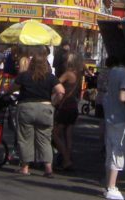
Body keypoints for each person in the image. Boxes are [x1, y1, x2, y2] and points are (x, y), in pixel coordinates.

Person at [15, 46, 63, 176]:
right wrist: (53, 103)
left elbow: (13, 87)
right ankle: (48, 168)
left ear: (32, 63)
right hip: (45, 108)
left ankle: (25, 167)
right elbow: (61, 91)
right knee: (45, 139)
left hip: (27, 107)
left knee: (25, 138)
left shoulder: (24, 76)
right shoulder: (50, 77)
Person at [101, 55, 125, 200]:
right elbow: (123, 96)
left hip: (110, 114)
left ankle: (108, 184)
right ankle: (112, 186)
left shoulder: (112, 71)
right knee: (118, 150)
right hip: (121, 116)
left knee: (110, 148)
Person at [53, 52, 84, 171]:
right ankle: (67, 156)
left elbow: (56, 83)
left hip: (65, 105)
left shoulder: (68, 74)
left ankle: (66, 159)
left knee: (55, 133)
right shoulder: (79, 74)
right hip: (73, 105)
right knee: (68, 134)